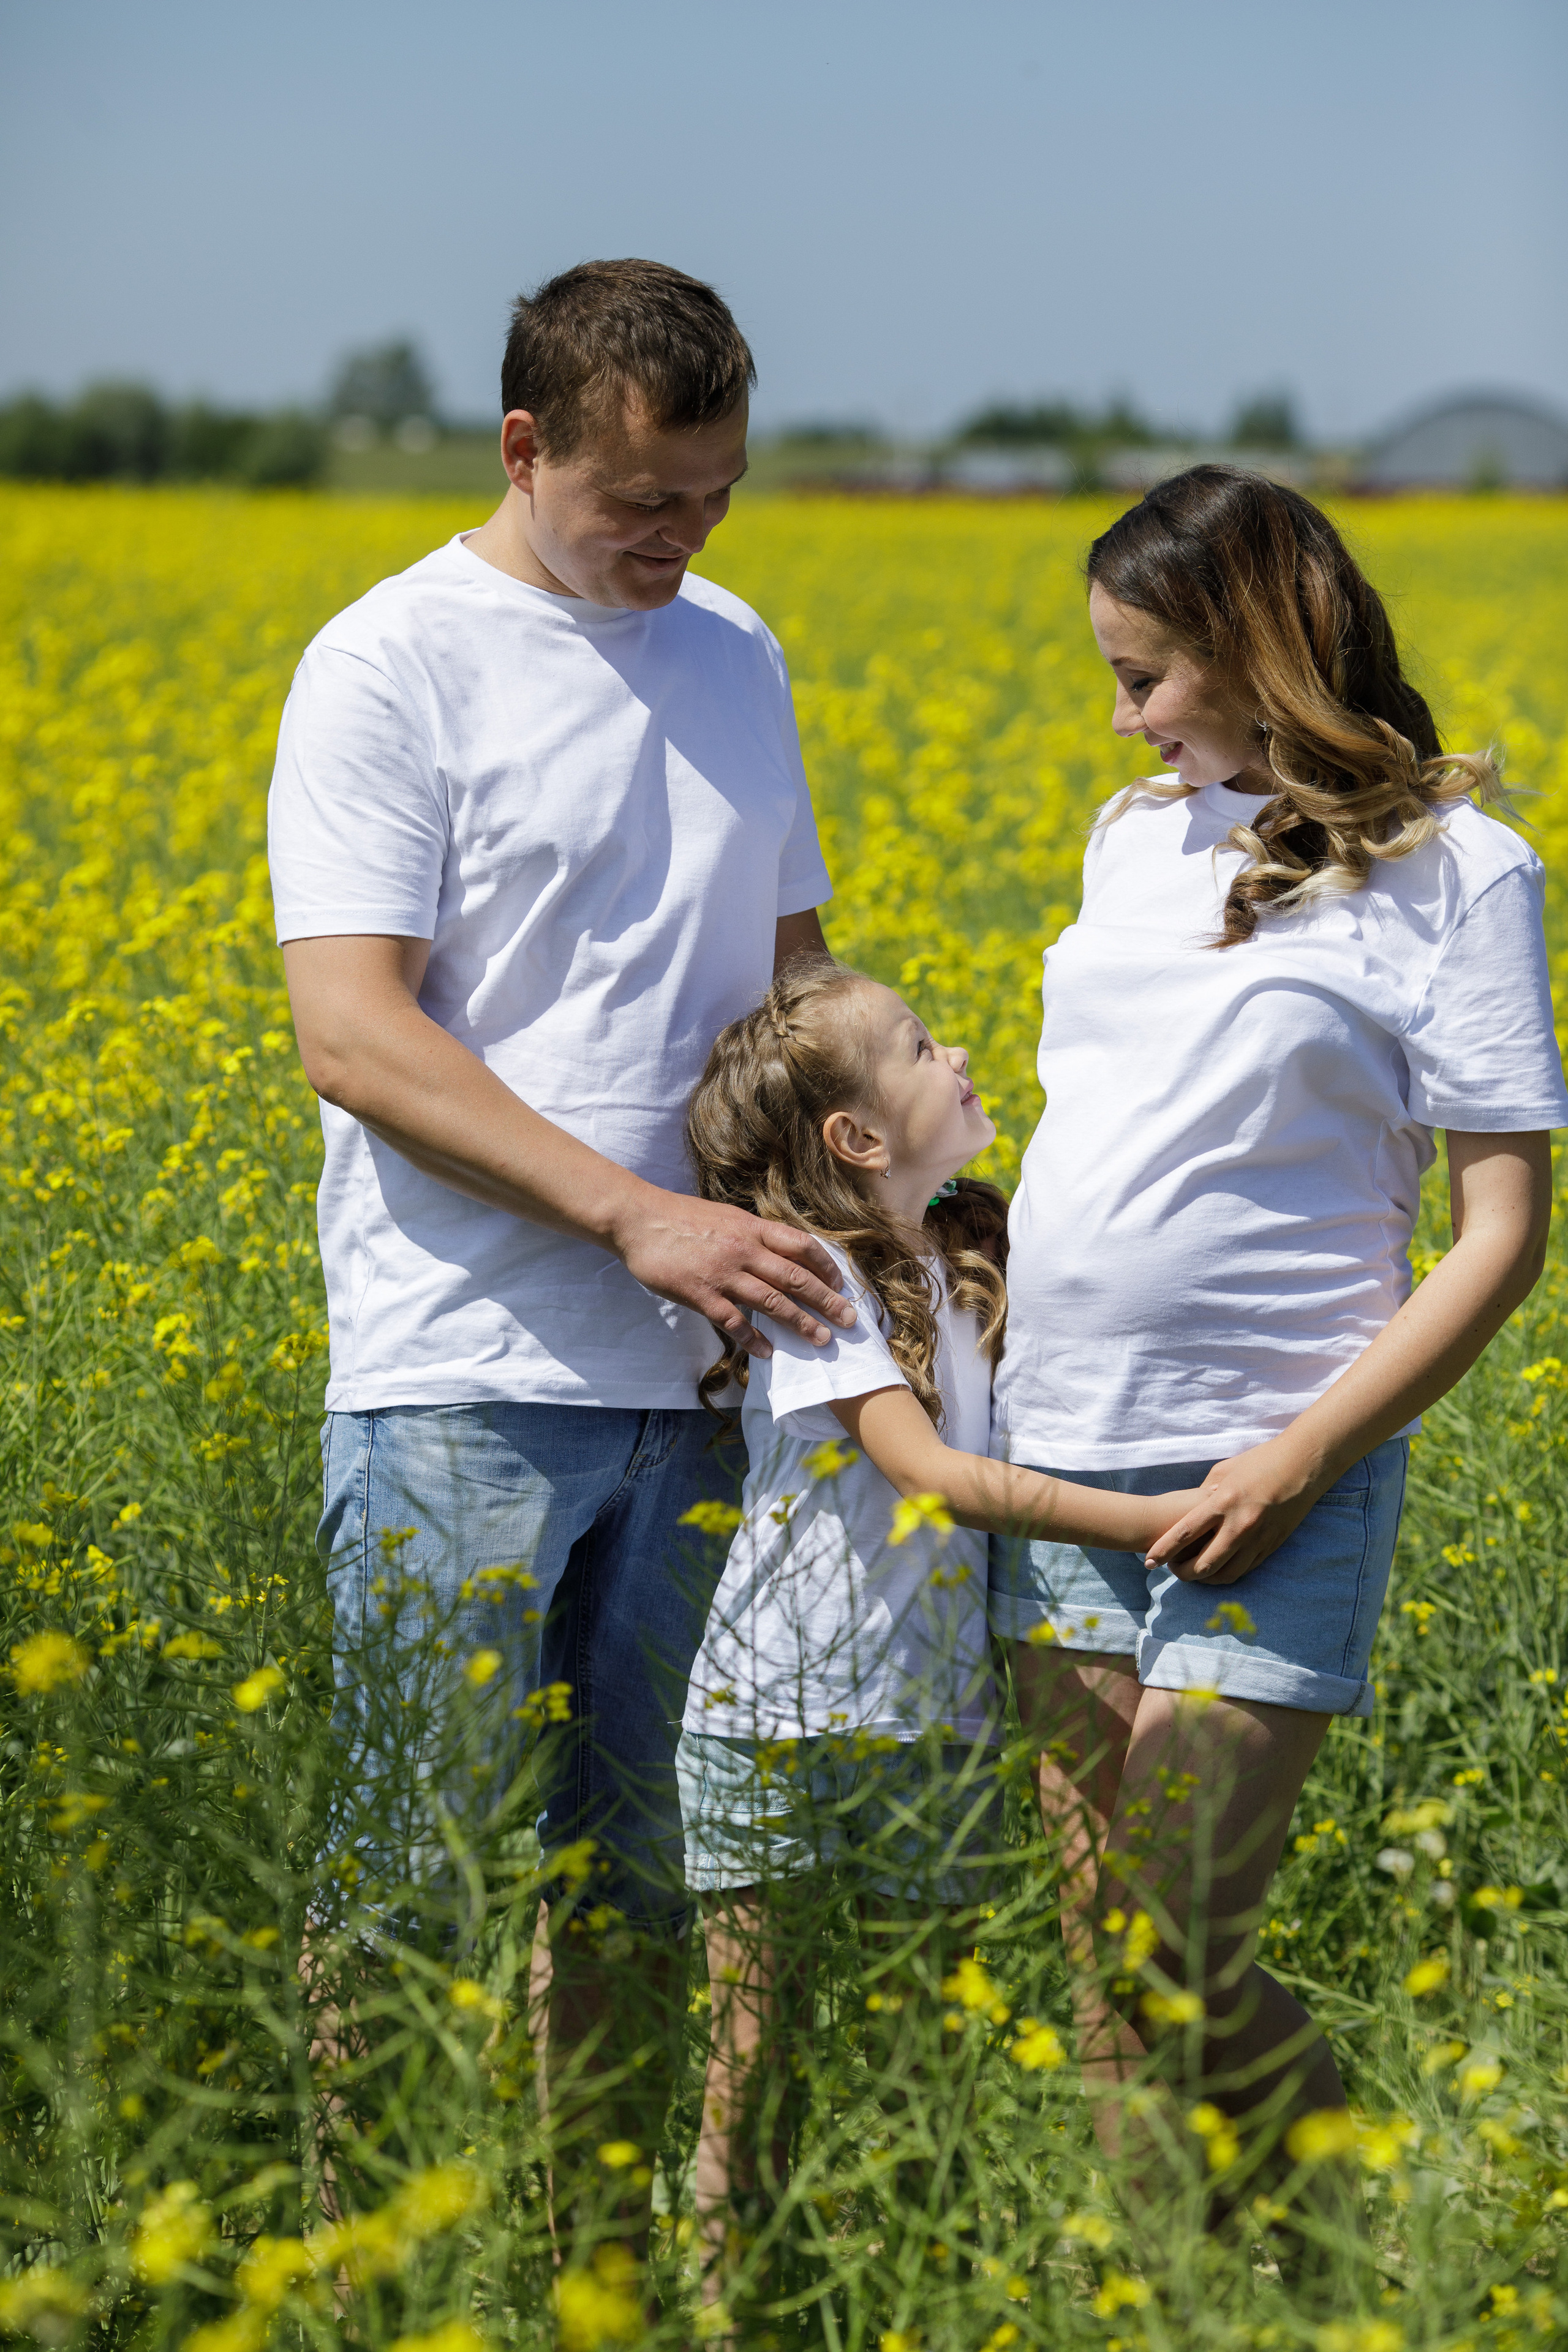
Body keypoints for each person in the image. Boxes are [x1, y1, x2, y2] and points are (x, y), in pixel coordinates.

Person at [267, 258, 857, 2211]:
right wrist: (639, 1220)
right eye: (643, 502)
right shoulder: (389, 663)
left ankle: (593, 2272)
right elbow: (355, 1031)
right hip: (467, 1373)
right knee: (414, 1893)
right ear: (526, 450)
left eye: (717, 495)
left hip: (698, 1381)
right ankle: (384, 2285)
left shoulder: (738, 649)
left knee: (641, 1892)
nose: (683, 538)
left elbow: (789, 983)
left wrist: (896, 1194)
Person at [989, 465, 1568, 2212]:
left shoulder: (1460, 870)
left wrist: (1308, 1453)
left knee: (1172, 1937)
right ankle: (1153, 2303)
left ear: (1267, 649)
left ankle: (1342, 2254)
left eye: (1150, 675)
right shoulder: (1126, 839)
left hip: (1274, 1471)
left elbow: (1503, 1233)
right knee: (1105, 1967)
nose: (1126, 716)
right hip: (1056, 1444)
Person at [676, 957, 1197, 2299]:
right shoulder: (824, 1286)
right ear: (854, 1137)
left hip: (937, 1730)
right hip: (775, 1721)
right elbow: (932, 1476)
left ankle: (921, 2307)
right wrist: (1146, 1520)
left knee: (933, 2060)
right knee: (754, 2057)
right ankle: (735, 2315)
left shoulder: (964, 1254)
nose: (953, 1053)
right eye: (917, 1047)